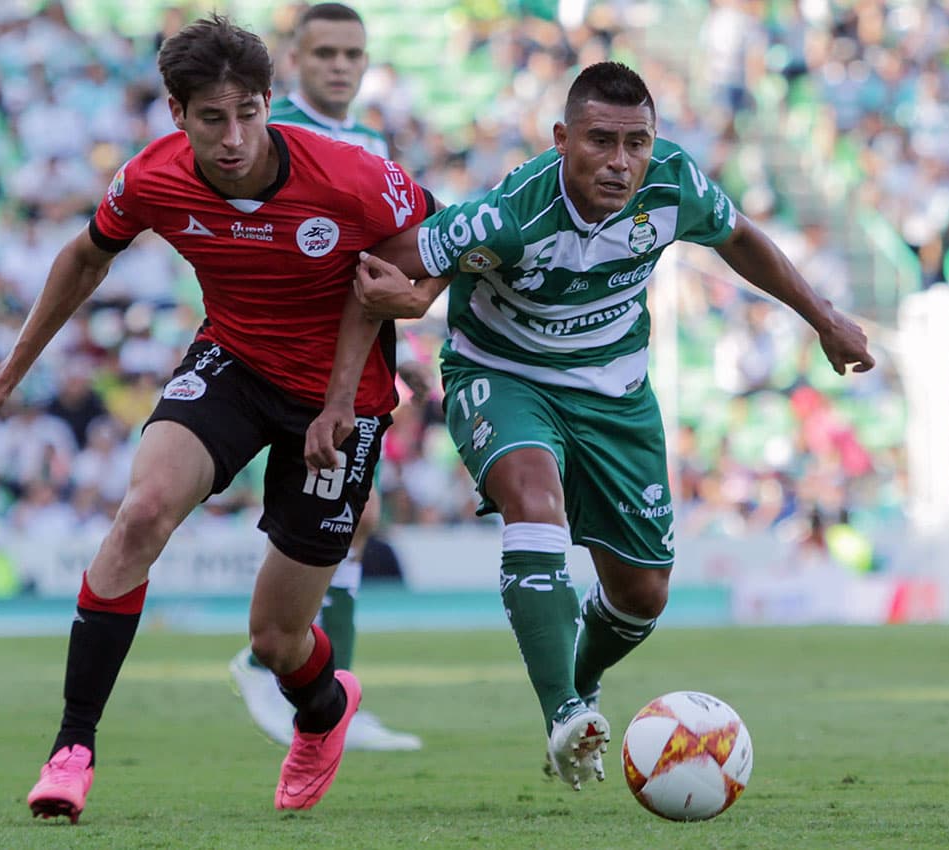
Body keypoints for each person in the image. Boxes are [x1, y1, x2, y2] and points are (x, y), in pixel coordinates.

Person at [0, 14, 434, 820]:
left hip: (343, 403)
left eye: (248, 115)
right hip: (233, 363)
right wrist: (10, 374)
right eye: (211, 119)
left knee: (276, 642)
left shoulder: (351, 175)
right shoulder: (152, 177)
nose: (233, 139)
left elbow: (435, 242)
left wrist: (411, 307)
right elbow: (85, 256)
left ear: (269, 102)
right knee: (142, 512)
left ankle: (325, 709)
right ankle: (72, 750)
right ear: (176, 113)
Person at [311, 61, 875, 791]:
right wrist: (354, 381)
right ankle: (564, 715)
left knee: (643, 595)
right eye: (600, 141)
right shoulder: (509, 214)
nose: (620, 162)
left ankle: (578, 686)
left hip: (616, 392)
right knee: (533, 499)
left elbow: (739, 236)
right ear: (561, 140)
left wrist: (823, 318)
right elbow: (376, 272)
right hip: (503, 376)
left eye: (636, 143)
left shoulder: (673, 184)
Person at [227, 0, 423, 754]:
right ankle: (277, 667)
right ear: (294, 62)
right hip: (284, 363)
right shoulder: (270, 139)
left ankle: (322, 683)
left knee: (357, 520)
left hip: (357, 362)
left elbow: (387, 256)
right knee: (328, 519)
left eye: (352, 54)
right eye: (324, 53)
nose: (340, 66)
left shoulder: (369, 141)